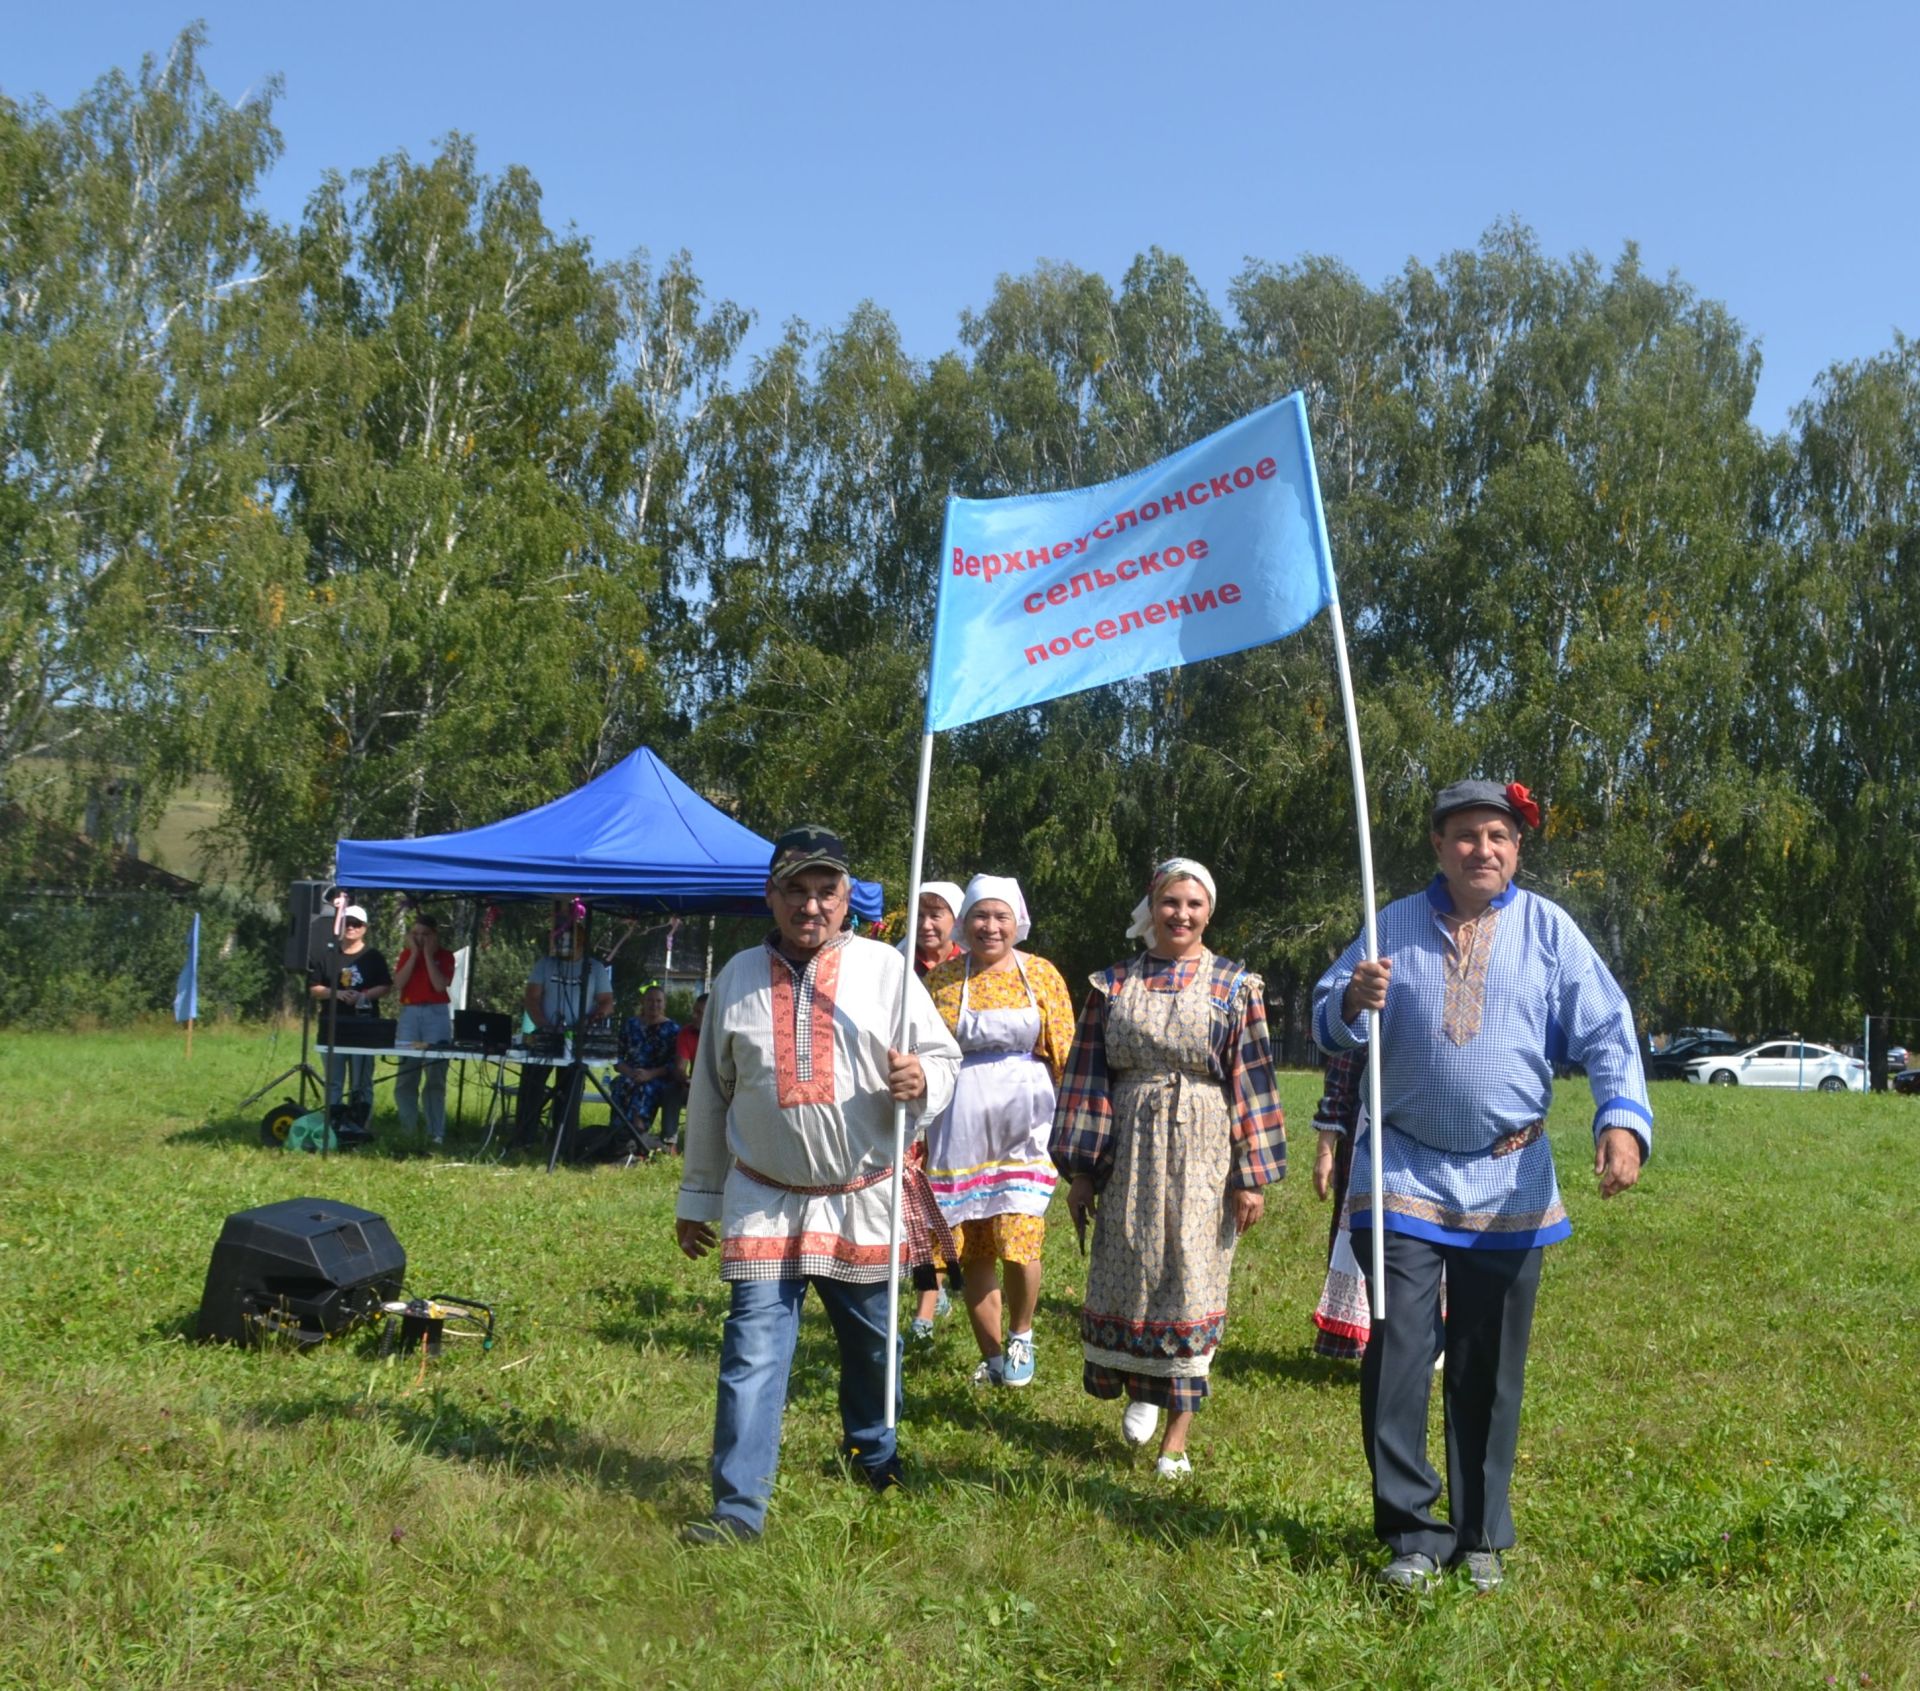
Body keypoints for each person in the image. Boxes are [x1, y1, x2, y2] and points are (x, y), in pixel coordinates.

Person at [1312, 778, 1651, 1593]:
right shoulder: (1389, 921)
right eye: (1465, 835)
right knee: (1396, 1348)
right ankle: (1410, 1529)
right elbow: (1328, 1011)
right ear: (1438, 844)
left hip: (1510, 1173)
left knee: (1487, 1360)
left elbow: (1607, 1025)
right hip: (1401, 1168)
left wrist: (1622, 1117)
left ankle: (1480, 1533)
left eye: (1498, 836)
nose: (1482, 850)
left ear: (1518, 847)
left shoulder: (1549, 930)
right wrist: (1353, 999)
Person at [674, 825, 961, 1544]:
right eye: (795, 890)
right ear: (770, 896)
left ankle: (874, 1448)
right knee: (752, 1351)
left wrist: (921, 1078)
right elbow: (709, 1097)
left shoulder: (888, 971)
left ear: (847, 897)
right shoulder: (735, 976)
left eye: (825, 891)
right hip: (764, 1196)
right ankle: (739, 1509)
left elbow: (943, 1057)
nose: (810, 906)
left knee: (872, 1344)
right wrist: (696, 1198)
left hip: (861, 1195)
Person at [1052, 859, 1286, 1477]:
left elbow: (1254, 1081)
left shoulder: (1234, 985)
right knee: (1131, 1265)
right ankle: (1140, 1391)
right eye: (1170, 902)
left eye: (1194, 904)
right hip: (1129, 1142)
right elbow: (1085, 1079)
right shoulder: (1112, 984)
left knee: (1191, 1273)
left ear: (1209, 911)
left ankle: (1175, 1439)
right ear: (1152, 906)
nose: (1181, 915)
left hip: (1204, 1146)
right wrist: (1080, 1169)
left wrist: (1251, 1174)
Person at [921, 875, 1074, 1387]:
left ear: (1017, 923)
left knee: (1020, 1232)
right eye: (981, 916)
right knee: (973, 1244)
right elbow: (920, 1051)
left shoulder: (1042, 974)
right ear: (964, 924)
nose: (990, 926)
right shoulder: (942, 981)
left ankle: (1022, 1332)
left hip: (1025, 1123)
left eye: (1000, 917)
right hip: (958, 1125)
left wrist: (1072, 1125)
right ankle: (992, 1357)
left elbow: (1065, 1051)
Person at [516, 912, 614, 1146]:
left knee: (568, 1091)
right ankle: (524, 1137)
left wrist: (590, 1020)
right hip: (545, 1036)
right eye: (558, 941)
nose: (561, 945)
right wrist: (545, 1027)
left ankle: (561, 1139)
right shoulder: (545, 964)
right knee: (532, 1086)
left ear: (580, 942)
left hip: (576, 1039)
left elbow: (607, 1002)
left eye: (567, 941)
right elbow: (531, 999)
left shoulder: (595, 968)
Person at [307, 902, 391, 1129]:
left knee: (361, 1081)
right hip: (333, 1026)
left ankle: (359, 1124)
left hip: (364, 1027)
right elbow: (314, 988)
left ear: (364, 928)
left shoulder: (373, 957)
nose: (351, 928)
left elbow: (385, 986)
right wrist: (338, 993)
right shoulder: (327, 956)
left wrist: (363, 996)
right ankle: (332, 1124)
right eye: (347, 923)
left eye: (356, 924)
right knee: (334, 1081)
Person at [392, 911, 455, 1145]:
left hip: (436, 1014)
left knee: (435, 1076)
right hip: (410, 1013)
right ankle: (408, 1130)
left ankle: (435, 1132)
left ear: (434, 935)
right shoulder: (407, 954)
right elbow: (398, 984)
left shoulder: (446, 956)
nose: (419, 938)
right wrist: (414, 954)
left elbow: (440, 985)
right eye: (415, 934)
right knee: (407, 1075)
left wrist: (428, 955)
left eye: (424, 935)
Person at [613, 983, 683, 1148]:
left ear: (664, 1004)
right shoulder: (630, 1024)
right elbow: (616, 1056)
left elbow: (674, 1064)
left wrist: (650, 1074)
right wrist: (630, 1072)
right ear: (643, 1002)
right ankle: (617, 1135)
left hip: (658, 1076)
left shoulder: (673, 1029)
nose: (654, 1004)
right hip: (631, 1073)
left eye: (658, 1001)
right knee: (622, 1084)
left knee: (645, 1088)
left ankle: (639, 1133)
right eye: (650, 1000)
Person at [901, 881, 966, 978]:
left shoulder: (970, 965)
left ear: (956, 920)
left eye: (935, 916)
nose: (925, 926)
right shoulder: (900, 963)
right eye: (919, 915)